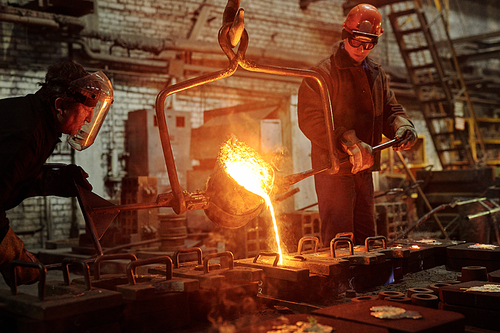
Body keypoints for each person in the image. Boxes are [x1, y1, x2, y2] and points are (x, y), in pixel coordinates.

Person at [298, 4, 417, 246]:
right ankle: (340, 284)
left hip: (364, 168)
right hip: (335, 169)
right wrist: (346, 141)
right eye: (357, 42)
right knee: (340, 240)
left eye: (369, 44)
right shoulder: (322, 75)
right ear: (345, 36)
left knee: (367, 237)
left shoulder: (376, 74)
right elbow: (311, 119)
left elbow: (389, 110)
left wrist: (401, 125)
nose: (362, 49)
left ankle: (364, 282)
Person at [0, 60, 113, 287]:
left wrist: (54, 181)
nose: (89, 119)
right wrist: (14, 256)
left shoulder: (37, 121)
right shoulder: (27, 134)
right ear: (60, 105)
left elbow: (14, 175)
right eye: (87, 111)